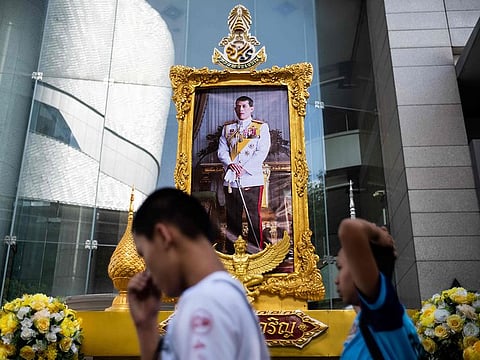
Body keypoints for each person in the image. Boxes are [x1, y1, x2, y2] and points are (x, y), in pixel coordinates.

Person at [127, 188, 270, 360]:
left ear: (163, 236)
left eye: (144, 254)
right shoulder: (221, 296)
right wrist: (146, 326)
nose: (147, 271)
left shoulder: (205, 301)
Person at [335, 218, 422, 359]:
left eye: (340, 268)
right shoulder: (372, 322)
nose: (336, 280)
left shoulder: (383, 315)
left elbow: (349, 228)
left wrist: (381, 236)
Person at [217, 96, 271, 252]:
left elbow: (262, 152)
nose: (241, 109)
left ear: (251, 108)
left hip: (251, 179)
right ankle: (234, 251)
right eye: (238, 106)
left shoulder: (261, 127)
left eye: (244, 106)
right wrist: (231, 164)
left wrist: (243, 168)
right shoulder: (228, 129)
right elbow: (222, 151)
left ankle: (256, 251)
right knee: (233, 219)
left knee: (253, 218)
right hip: (232, 180)